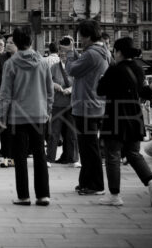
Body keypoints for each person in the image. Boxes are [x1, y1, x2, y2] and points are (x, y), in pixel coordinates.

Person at [97, 37, 152, 207]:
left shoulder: (114, 70)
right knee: (134, 154)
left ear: (118, 52)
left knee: (112, 155)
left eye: (114, 51)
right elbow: (143, 91)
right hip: (134, 117)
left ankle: (114, 195)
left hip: (116, 117)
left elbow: (100, 90)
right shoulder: (139, 69)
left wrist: (104, 76)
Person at [0, 26, 53, 206]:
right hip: (38, 114)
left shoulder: (11, 64)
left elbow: (5, 93)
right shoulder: (43, 62)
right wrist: (48, 110)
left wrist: (2, 115)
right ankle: (43, 195)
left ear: (16, 42)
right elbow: (49, 91)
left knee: (19, 157)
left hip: (17, 116)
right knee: (40, 154)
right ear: (31, 41)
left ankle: (23, 196)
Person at [61, 19, 109, 196]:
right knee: (87, 147)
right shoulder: (103, 51)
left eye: (80, 35)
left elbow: (71, 70)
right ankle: (85, 182)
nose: (79, 39)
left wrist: (70, 54)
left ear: (87, 36)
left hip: (86, 105)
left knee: (89, 148)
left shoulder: (91, 54)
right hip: (95, 104)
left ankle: (96, 185)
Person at [46, 36, 80, 168]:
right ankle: (49, 158)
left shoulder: (75, 66)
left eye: (66, 52)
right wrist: (55, 85)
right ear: (59, 53)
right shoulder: (54, 67)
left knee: (72, 133)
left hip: (72, 104)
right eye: (62, 52)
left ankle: (74, 158)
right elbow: (47, 81)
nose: (64, 55)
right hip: (57, 103)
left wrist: (71, 88)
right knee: (53, 132)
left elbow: (79, 81)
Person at [0, 34, 18, 168]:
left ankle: (18, 157)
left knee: (18, 132)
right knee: (5, 130)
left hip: (21, 101)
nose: (7, 45)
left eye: (11, 42)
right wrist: (5, 78)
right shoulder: (1, 59)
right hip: (5, 99)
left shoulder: (22, 58)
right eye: (7, 42)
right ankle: (8, 158)